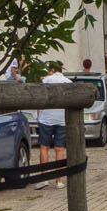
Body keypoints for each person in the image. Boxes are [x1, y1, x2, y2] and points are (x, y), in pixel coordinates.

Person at [35, 60, 72, 188]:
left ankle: (45, 178)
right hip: (61, 119)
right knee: (59, 149)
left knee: (44, 147)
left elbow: (40, 99)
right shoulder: (68, 82)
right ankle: (59, 180)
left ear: (51, 70)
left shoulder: (46, 80)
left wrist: (38, 116)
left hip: (47, 118)